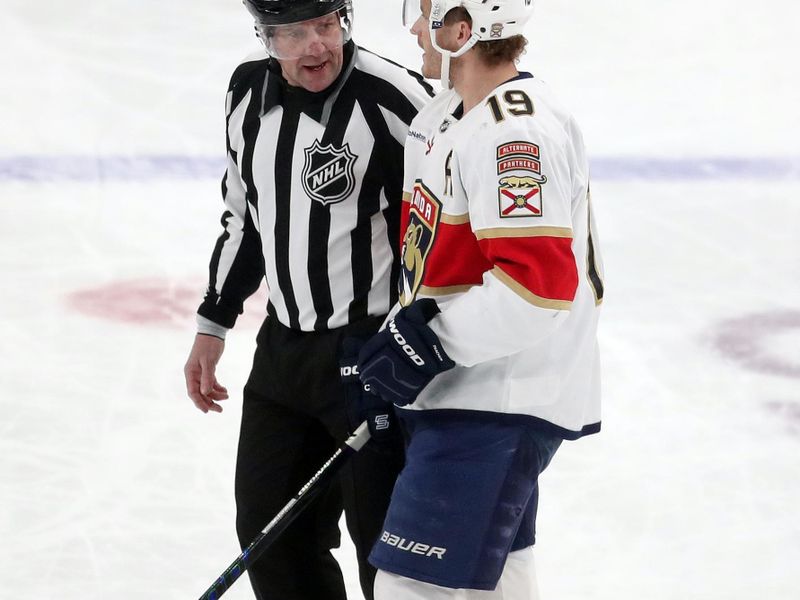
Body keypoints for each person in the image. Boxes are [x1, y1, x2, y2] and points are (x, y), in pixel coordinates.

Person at [183, 1, 434, 599]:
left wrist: (422, 339)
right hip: (282, 355)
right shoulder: (246, 92)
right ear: (266, 36)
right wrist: (214, 321)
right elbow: (245, 219)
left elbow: (443, 228)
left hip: (373, 359)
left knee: (386, 553)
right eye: (294, 33)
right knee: (270, 537)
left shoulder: (395, 98)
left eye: (328, 25)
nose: (317, 46)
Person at [356, 1, 605, 598]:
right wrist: (397, 337)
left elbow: (536, 291)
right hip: (463, 387)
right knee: (497, 579)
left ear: (460, 32)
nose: (416, 29)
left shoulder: (513, 132)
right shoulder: (446, 115)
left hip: (500, 393)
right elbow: (435, 260)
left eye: (425, 16)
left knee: (409, 585)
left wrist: (427, 345)